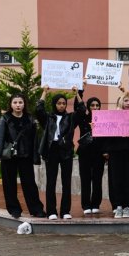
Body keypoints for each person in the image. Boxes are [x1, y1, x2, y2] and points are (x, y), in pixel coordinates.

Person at [0, 93, 46, 219]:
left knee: (30, 184)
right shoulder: (5, 119)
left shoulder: (30, 119)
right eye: (15, 102)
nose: (18, 105)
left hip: (25, 156)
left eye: (20, 102)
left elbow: (34, 140)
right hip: (9, 157)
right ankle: (14, 209)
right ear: (11, 104)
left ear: (24, 104)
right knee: (9, 184)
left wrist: (35, 156)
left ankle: (36, 209)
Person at [36, 86, 77, 220]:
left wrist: (77, 94)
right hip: (51, 150)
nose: (61, 105)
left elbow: (81, 110)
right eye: (59, 103)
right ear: (54, 104)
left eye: (64, 103)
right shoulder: (49, 118)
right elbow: (39, 110)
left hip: (65, 150)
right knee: (51, 181)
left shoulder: (70, 118)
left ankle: (65, 211)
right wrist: (44, 92)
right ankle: (51, 211)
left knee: (66, 181)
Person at [102, 92, 129, 218]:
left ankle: (127, 206)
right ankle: (118, 205)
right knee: (116, 179)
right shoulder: (113, 118)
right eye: (126, 101)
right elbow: (107, 136)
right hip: (116, 152)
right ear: (121, 103)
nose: (128, 103)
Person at [74, 92, 104, 215]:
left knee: (97, 179)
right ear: (88, 106)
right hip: (85, 152)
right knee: (85, 179)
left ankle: (96, 203)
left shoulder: (104, 119)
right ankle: (86, 204)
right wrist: (78, 92)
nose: (95, 107)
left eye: (97, 105)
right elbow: (78, 107)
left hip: (99, 153)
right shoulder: (83, 118)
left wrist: (106, 152)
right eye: (92, 105)